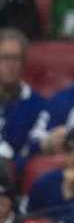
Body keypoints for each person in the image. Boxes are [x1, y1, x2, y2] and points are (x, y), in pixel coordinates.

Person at [0, 28, 49, 171]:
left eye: (16, 58)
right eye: (5, 57)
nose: (10, 64)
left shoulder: (38, 104)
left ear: (23, 63)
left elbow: (33, 146)